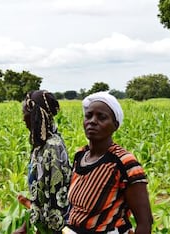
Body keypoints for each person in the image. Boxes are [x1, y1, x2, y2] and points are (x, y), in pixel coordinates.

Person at [65, 91, 153, 234]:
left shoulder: (124, 162)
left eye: (102, 117)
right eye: (88, 116)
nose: (92, 121)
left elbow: (145, 222)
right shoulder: (80, 155)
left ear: (115, 125)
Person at [14, 90, 72, 234]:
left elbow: (56, 202)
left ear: (36, 114)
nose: (23, 118)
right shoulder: (41, 145)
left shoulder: (53, 148)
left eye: (25, 113)